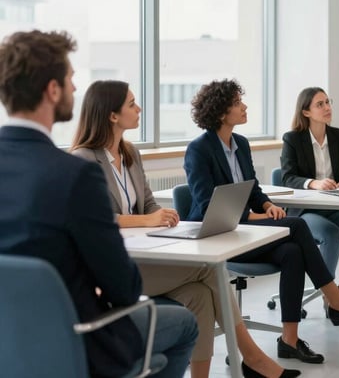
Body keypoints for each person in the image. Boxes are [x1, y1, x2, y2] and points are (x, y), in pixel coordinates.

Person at [0, 30, 198, 378]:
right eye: (70, 79)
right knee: (184, 324)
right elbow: (124, 288)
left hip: (10, 343)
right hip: (76, 338)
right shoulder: (74, 175)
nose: (75, 89)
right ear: (52, 89)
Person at [70, 80, 300, 378]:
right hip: (114, 268)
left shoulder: (130, 153)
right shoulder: (84, 159)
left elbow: (149, 202)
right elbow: (96, 218)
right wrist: (147, 220)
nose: (139, 109)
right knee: (210, 268)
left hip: (147, 253)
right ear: (112, 115)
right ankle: (252, 356)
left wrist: (160, 214)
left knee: (199, 296)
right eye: (132, 104)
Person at [184, 79, 339, 365]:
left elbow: (252, 187)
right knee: (298, 225)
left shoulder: (239, 143)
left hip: (245, 229)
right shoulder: (199, 150)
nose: (245, 106)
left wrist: (267, 205)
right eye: (239, 103)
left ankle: (289, 340)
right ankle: (336, 300)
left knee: (292, 252)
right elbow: (205, 204)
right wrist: (253, 216)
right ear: (222, 112)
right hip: (219, 234)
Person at [280, 87, 339, 300]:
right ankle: (330, 297)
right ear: (306, 112)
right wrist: (314, 183)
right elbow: (287, 177)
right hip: (306, 210)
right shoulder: (292, 139)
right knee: (332, 234)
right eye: (319, 104)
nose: (327, 108)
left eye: (328, 102)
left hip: (334, 206)